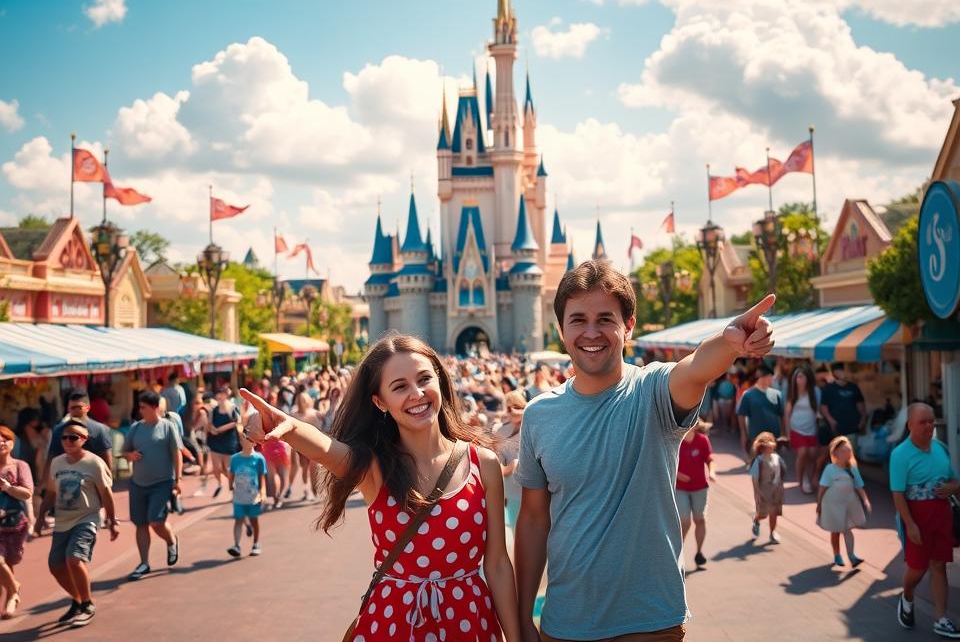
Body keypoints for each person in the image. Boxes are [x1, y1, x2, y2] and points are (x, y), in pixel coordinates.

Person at [515, 260, 775, 641]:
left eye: (606, 318)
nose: (592, 332)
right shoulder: (539, 415)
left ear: (629, 325)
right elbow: (534, 521)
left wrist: (729, 342)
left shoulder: (653, 390)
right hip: (567, 622)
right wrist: (523, 618)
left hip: (650, 623)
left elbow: (696, 368)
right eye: (578, 320)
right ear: (560, 329)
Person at [241, 334, 521, 642]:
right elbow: (324, 449)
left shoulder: (484, 464)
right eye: (400, 387)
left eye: (424, 379)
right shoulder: (375, 469)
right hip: (394, 624)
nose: (417, 393)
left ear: (440, 381)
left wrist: (515, 637)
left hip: (469, 622)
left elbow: (497, 565)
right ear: (379, 401)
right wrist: (291, 428)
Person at [35, 419, 119, 628]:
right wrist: (39, 517)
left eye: (73, 437)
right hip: (62, 521)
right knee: (55, 565)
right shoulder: (57, 462)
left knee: (74, 558)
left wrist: (112, 520)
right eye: (64, 437)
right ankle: (78, 599)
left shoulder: (94, 463)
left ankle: (88, 604)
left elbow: (106, 494)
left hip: (87, 518)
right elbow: (51, 493)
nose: (68, 441)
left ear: (84, 440)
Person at [890, 402, 960, 637]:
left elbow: (955, 482)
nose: (929, 426)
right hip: (916, 516)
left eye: (931, 420)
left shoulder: (941, 448)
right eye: (923, 422)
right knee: (918, 569)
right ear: (910, 425)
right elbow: (897, 493)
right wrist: (910, 524)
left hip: (941, 514)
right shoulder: (900, 454)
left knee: (939, 565)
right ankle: (907, 595)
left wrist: (952, 487)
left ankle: (941, 618)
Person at [121, 390, 182, 581]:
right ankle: (144, 563)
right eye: (139, 407)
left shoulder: (167, 427)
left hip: (162, 483)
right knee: (141, 523)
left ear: (155, 408)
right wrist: (129, 456)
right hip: (138, 483)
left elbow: (176, 454)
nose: (140, 410)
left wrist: (177, 480)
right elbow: (124, 451)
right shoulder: (135, 428)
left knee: (155, 521)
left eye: (143, 407)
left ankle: (171, 540)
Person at [817, 436, 871, 568]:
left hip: (848, 504)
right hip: (832, 506)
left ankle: (852, 556)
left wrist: (865, 500)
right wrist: (819, 505)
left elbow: (859, 486)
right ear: (835, 453)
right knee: (835, 531)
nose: (846, 453)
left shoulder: (853, 469)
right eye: (842, 450)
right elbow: (822, 488)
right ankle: (837, 555)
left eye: (848, 450)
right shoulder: (830, 469)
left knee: (847, 529)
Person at [0, 425, 33, 620]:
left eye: (5, 439)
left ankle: (11, 595)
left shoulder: (20, 466)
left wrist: (8, 487)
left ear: (12, 443)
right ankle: (14, 590)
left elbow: (28, 492)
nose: (1, 443)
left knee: (8, 562)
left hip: (14, 522)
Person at [675, 419, 716, 569]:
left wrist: (712, 472)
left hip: (699, 487)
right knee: (684, 519)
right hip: (680, 488)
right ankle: (677, 552)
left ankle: (699, 553)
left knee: (700, 519)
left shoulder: (702, 440)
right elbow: (667, 462)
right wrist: (677, 474)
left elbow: (709, 459)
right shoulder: (676, 441)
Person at [44, 392, 114, 480]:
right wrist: (44, 484)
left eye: (79, 408)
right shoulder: (59, 430)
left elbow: (107, 460)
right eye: (73, 408)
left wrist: (107, 481)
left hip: (90, 480)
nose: (75, 411)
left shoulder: (100, 430)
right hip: (65, 479)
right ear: (68, 409)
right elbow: (51, 458)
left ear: (87, 408)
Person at [227, 431, 266, 558]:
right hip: (239, 496)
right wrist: (230, 488)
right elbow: (231, 474)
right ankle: (236, 546)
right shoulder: (235, 459)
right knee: (238, 520)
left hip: (253, 496)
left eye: (250, 439)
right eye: (244, 439)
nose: (247, 441)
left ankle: (256, 543)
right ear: (241, 441)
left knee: (254, 520)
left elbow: (261, 478)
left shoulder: (259, 459)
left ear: (254, 443)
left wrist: (262, 493)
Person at [497, 390, 527, 547]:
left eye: (516, 407)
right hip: (511, 492)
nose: (512, 411)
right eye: (508, 407)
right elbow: (497, 461)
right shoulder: (501, 431)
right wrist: (506, 468)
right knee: (517, 539)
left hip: (533, 490)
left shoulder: (533, 427)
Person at [736, 364, 785, 457]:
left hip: (773, 437)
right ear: (762, 377)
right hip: (756, 437)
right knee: (757, 464)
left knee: (773, 464)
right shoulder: (748, 395)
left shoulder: (777, 394)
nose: (772, 380)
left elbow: (782, 415)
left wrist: (784, 433)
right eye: (770, 377)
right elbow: (741, 414)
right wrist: (743, 433)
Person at [786, 365, 820, 494]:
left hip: (811, 430)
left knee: (812, 455)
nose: (799, 380)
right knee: (802, 452)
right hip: (796, 429)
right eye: (797, 377)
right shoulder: (792, 394)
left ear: (807, 378)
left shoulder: (814, 393)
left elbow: (818, 410)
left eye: (801, 376)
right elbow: (787, 415)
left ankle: (809, 476)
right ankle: (801, 480)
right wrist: (787, 433)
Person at [820, 363, 866, 452]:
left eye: (844, 370)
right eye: (841, 370)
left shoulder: (854, 387)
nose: (844, 373)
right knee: (836, 455)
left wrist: (862, 421)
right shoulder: (828, 388)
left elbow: (861, 406)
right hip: (836, 428)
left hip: (852, 426)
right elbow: (823, 407)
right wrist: (831, 421)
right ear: (835, 373)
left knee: (851, 454)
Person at [749, 431, 786, 543]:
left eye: (771, 441)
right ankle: (756, 519)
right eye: (767, 441)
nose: (770, 444)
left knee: (774, 513)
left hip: (776, 490)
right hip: (764, 490)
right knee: (763, 514)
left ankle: (772, 533)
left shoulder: (777, 457)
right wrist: (756, 492)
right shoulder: (759, 461)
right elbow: (755, 477)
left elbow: (782, 470)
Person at [206, 385, 241, 498]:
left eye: (221, 393)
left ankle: (235, 486)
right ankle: (220, 484)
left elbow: (237, 421)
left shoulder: (232, 407)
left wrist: (221, 429)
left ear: (226, 395)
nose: (219, 396)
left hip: (229, 441)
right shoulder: (214, 409)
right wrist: (212, 429)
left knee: (228, 468)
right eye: (218, 393)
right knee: (217, 468)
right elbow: (209, 423)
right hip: (215, 441)